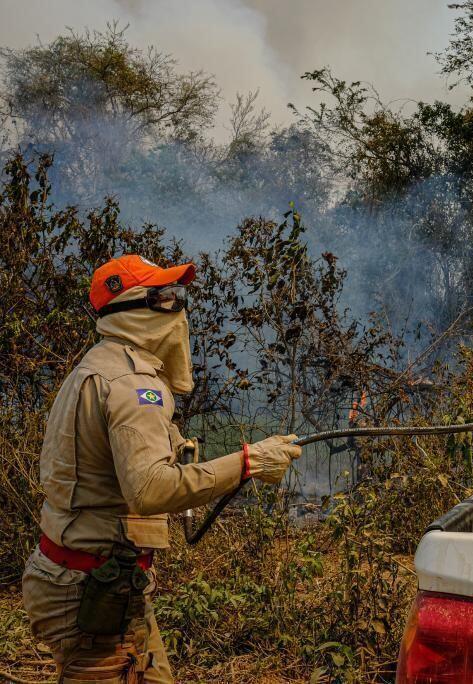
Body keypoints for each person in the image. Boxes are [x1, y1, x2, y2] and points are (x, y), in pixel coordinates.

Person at [21, 255, 302, 683]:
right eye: (166, 298)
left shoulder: (98, 365)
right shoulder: (134, 385)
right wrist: (249, 462)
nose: (179, 308)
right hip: (91, 590)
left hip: (91, 579)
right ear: (132, 310)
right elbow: (149, 489)